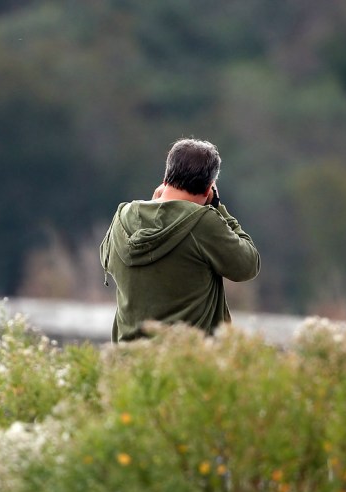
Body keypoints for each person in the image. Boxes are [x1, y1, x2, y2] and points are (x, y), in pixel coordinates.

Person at [99, 138, 260, 342]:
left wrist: (153, 204)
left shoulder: (124, 214)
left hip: (128, 361)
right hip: (184, 363)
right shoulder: (203, 223)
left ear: (166, 177)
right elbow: (247, 264)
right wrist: (218, 208)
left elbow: (106, 259)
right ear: (208, 188)